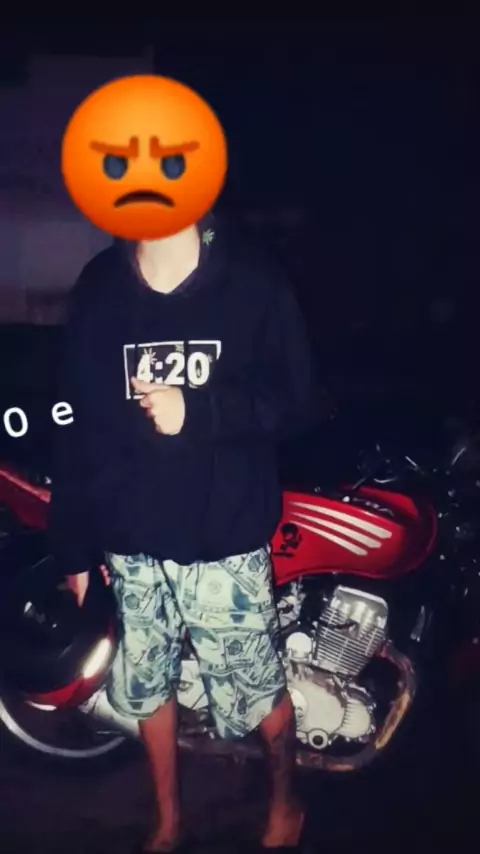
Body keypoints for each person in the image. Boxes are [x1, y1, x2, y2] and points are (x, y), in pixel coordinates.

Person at [48, 210, 319, 853]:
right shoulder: (99, 287)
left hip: (222, 537)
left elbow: (300, 399)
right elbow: (77, 426)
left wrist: (199, 411)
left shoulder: (253, 280)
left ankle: (287, 805)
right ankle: (168, 821)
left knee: (258, 689)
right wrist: (75, 546)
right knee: (147, 688)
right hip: (131, 542)